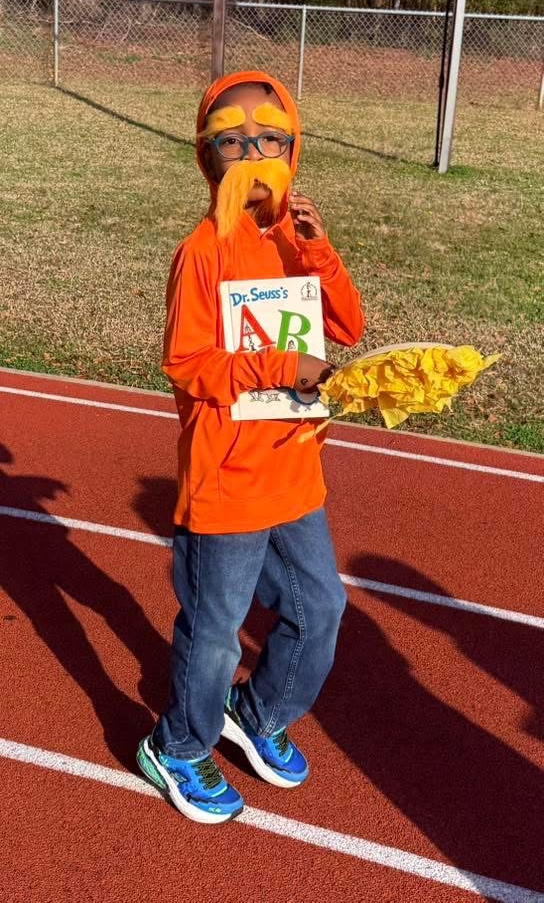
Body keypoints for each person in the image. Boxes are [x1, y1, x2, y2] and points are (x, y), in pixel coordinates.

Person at [137, 70, 364, 824]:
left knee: (321, 610)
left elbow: (349, 324)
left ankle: (256, 712)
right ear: (210, 158)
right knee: (212, 634)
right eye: (235, 142)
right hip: (228, 481)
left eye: (269, 139)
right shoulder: (200, 253)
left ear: (292, 147)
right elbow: (189, 365)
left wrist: (318, 245)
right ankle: (177, 745)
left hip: (296, 469)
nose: (255, 154)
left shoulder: (292, 240)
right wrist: (281, 365)